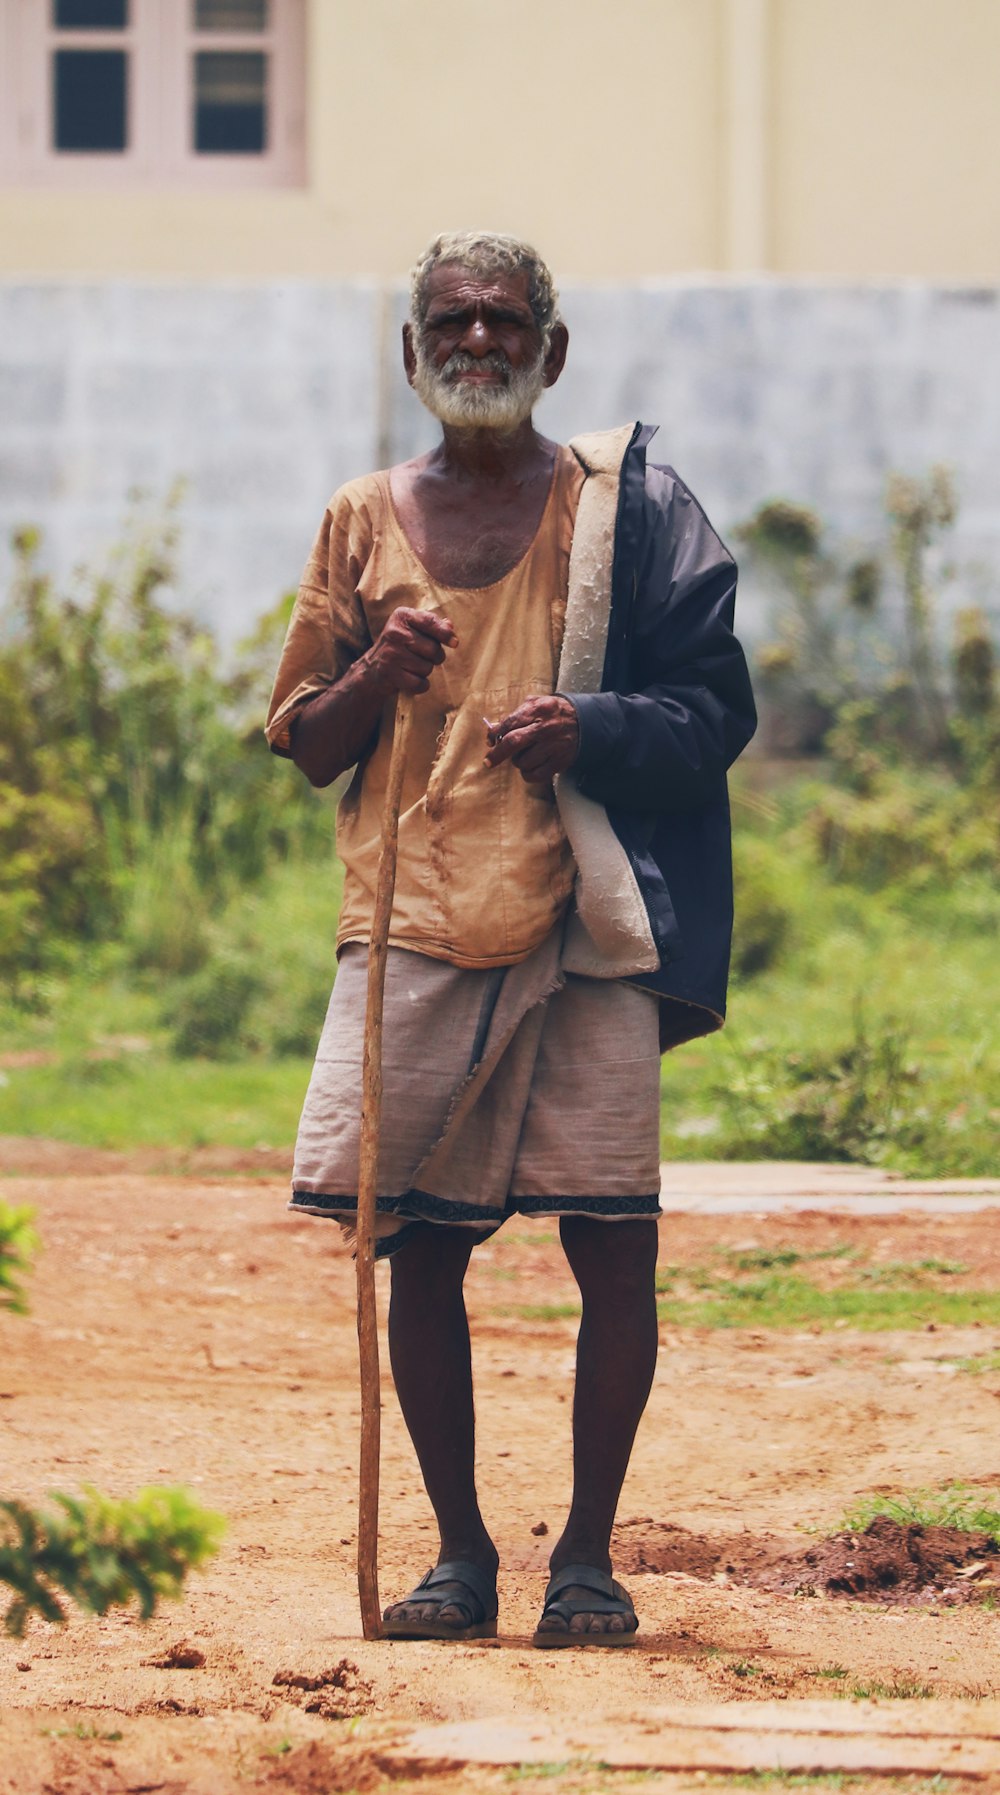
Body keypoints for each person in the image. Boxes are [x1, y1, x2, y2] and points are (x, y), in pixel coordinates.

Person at [266, 231, 756, 1646]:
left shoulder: (628, 508)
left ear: (551, 352)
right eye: (450, 321)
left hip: (591, 918)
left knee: (616, 1244)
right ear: (415, 351)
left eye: (503, 322)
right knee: (423, 1248)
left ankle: (588, 1561)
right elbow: (304, 744)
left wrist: (592, 725)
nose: (475, 342)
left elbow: (717, 711)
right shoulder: (363, 514)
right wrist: (377, 668)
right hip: (414, 919)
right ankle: (460, 1559)